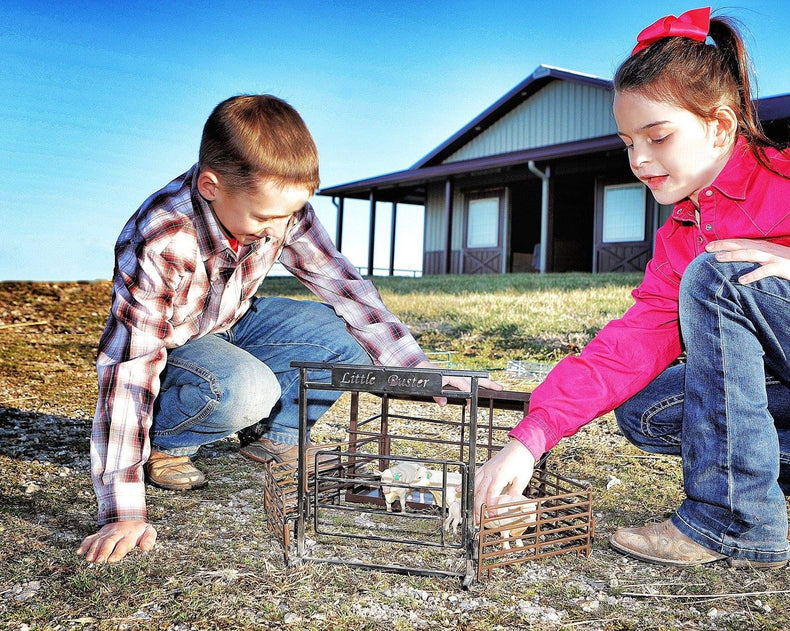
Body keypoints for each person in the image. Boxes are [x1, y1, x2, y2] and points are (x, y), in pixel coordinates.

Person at [475, 7, 790, 568]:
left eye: (657, 136)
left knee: (720, 274)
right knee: (647, 407)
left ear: (719, 125)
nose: (639, 160)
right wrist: (529, 440)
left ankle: (728, 519)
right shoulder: (682, 236)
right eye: (627, 143)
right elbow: (628, 347)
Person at [77, 94, 499, 564]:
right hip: (171, 348)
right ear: (211, 185)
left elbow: (344, 286)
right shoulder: (164, 236)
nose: (278, 228)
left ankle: (273, 440)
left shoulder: (282, 208)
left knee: (349, 338)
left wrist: (419, 373)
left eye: (288, 215)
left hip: (234, 321)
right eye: (265, 217)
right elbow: (130, 368)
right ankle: (168, 440)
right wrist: (122, 511)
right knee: (243, 389)